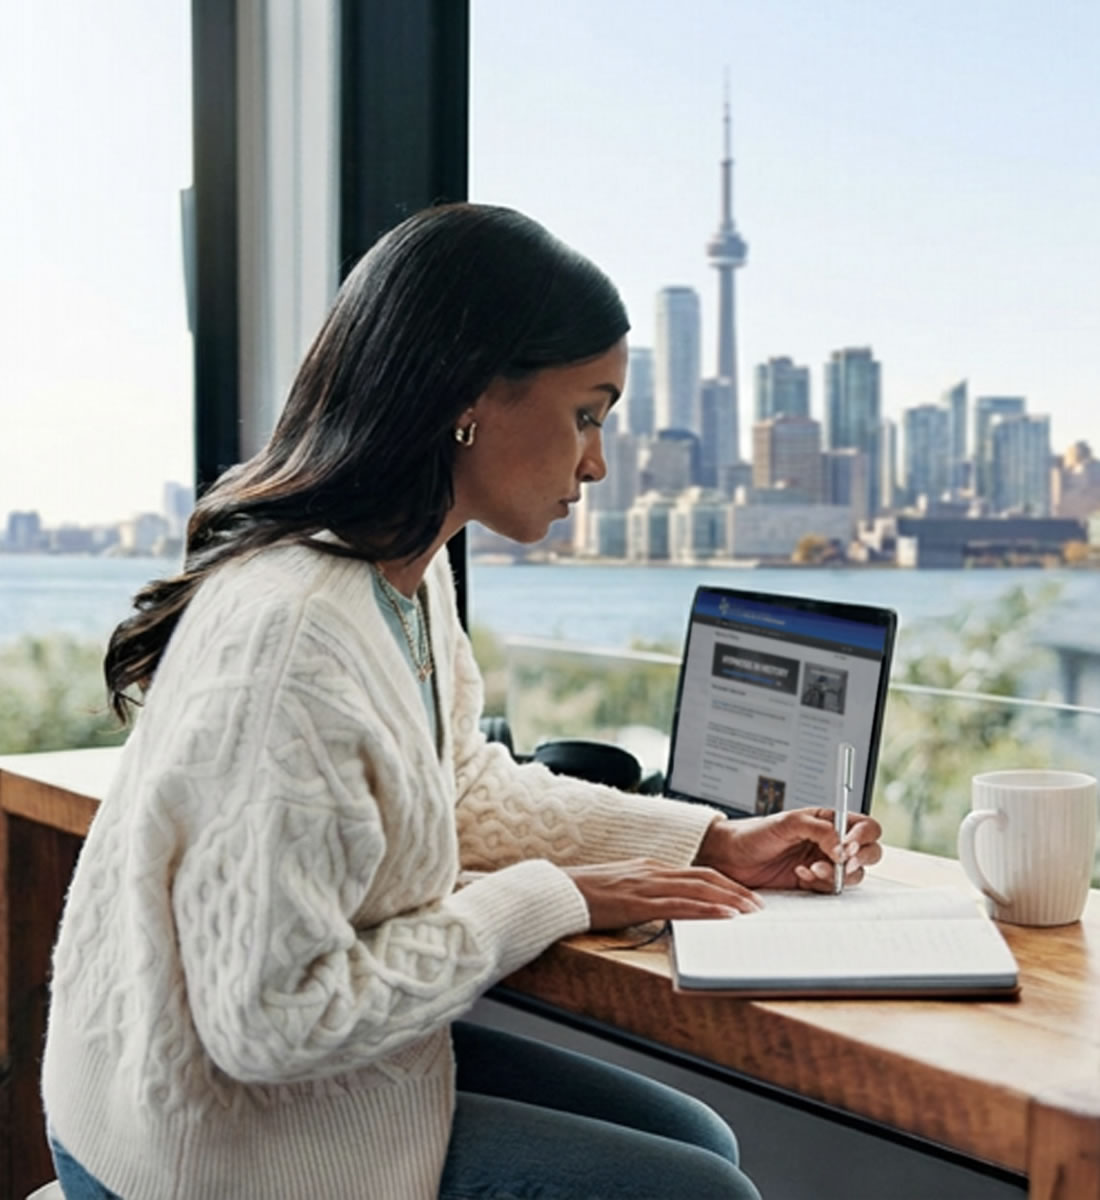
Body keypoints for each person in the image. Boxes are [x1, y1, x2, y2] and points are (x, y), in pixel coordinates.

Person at [42, 203, 882, 1200]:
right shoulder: (293, 637)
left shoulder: (402, 570)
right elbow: (270, 1022)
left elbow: (460, 788)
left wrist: (707, 838)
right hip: (204, 1148)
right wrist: (547, 898)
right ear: (471, 397)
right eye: (585, 413)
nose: (597, 462)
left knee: (694, 1132)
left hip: (294, 1091)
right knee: (704, 1193)